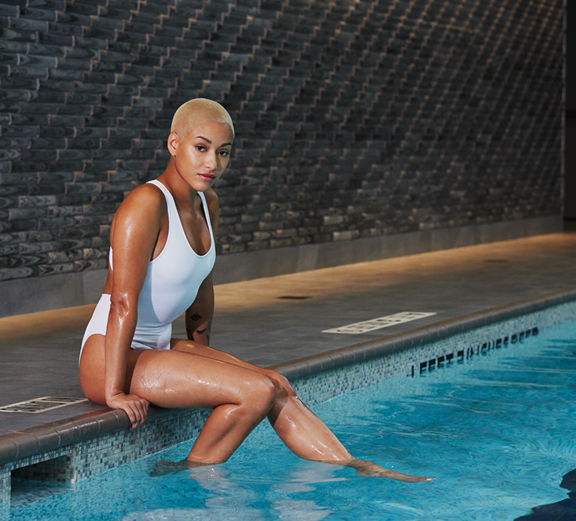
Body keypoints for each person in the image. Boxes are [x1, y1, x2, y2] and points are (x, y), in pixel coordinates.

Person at [79, 98, 432, 482]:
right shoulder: (146, 203)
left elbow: (202, 289)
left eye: (223, 152)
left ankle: (353, 466)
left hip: (156, 346)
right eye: (201, 148)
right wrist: (114, 392)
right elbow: (122, 302)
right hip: (108, 354)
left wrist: (205, 353)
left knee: (276, 384)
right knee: (254, 391)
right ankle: (185, 475)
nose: (212, 164)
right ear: (173, 143)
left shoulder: (206, 203)